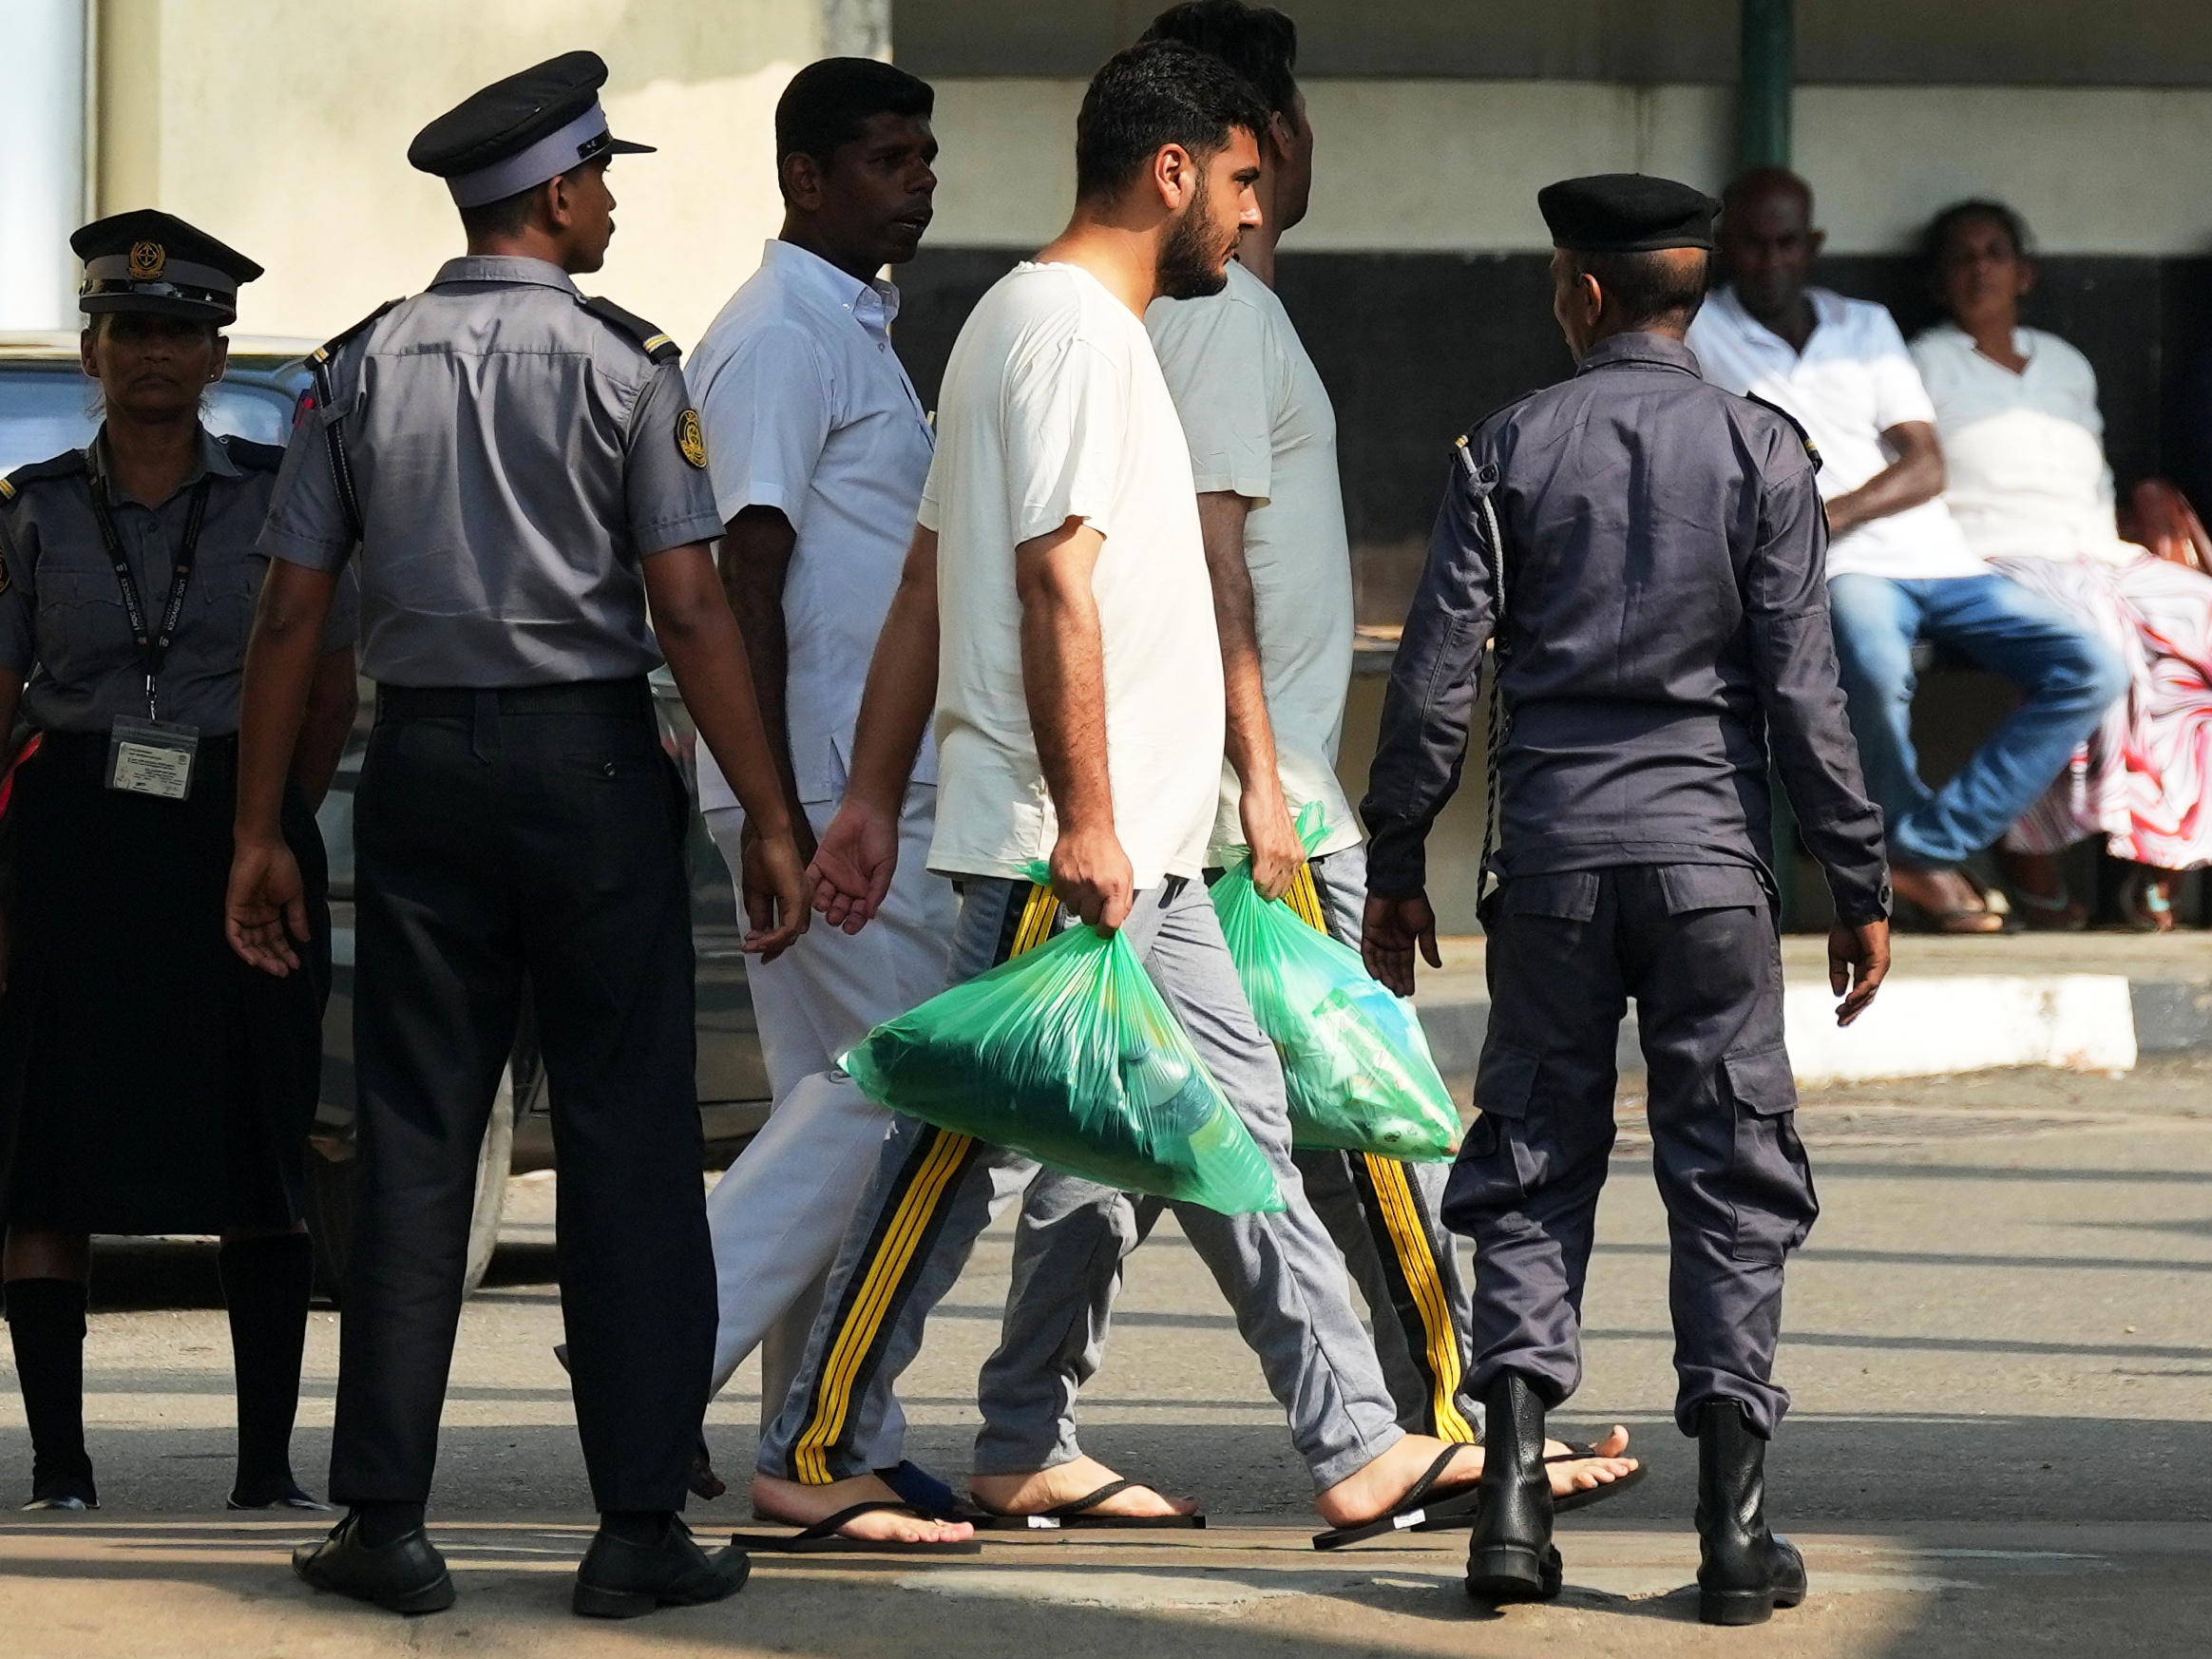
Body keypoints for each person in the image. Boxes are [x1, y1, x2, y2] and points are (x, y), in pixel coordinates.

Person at [760, 40, 1634, 1552]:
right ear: (1170, 173)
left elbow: (924, 584)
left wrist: (876, 796)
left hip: (1140, 844)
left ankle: (1364, 1443)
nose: (1251, 211)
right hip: (1067, 842)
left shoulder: (1036, 324)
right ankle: (813, 1445)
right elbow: (1047, 585)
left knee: (1235, 1130)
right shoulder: (1074, 339)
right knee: (953, 1155)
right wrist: (1085, 817)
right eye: (1238, 179)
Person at [223, 52, 809, 1619]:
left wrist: (260, 832)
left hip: (419, 771)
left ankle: (385, 1523)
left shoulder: (354, 368)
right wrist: (763, 811)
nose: (610, 198)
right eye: (601, 176)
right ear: (553, 195)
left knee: (418, 1139)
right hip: (593, 773)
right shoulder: (628, 367)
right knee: (624, 1139)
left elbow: (291, 615)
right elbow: (687, 608)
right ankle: (632, 1530)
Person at [1363, 174, 1892, 1624]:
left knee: (1531, 1154)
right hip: (1716, 867)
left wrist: (1396, 857)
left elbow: (1434, 683)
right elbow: (1803, 690)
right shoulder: (1764, 449)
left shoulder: (1508, 445)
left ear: (1584, 292)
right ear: (1690, 294)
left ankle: (1516, 1506)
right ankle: (1734, 1531)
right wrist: (1857, 874)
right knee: (1730, 1173)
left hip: (1548, 869)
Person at [0, 212, 354, 1516]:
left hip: (235, 833)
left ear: (216, 358)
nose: (154, 353)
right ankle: (61, 1465)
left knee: (257, 1128)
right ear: (92, 350)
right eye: (130, 330)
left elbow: (326, 693)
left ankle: (266, 1466)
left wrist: (265, 820)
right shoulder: (31, 513)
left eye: (182, 333)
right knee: (48, 1144)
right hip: (75, 843)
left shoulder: (277, 502)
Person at [684, 57, 960, 1508]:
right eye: (887, 159)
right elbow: (747, 566)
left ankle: (834, 1427)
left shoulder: (854, 325)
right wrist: (781, 811)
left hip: (841, 790)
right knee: (897, 1087)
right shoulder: (783, 333)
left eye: (924, 155)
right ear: (804, 177)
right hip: (818, 795)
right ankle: (660, 1357)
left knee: (826, 1100)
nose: (919, 180)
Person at [1688, 168, 2126, 933]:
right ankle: (1919, 859)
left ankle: (1917, 846)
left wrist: (1826, 512)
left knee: (2093, 664)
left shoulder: (1862, 324)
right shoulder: (1701, 332)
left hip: (1941, 557)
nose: (1770, 260)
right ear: (1726, 250)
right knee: (1875, 668)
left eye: (1787, 242)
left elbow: (1927, 464)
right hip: (1839, 571)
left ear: (1813, 245)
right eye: (1752, 245)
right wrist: (1814, 534)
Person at [1912, 200, 2212, 927]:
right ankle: (2032, 844)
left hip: (2098, 549)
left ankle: (2157, 852)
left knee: (2200, 615)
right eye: (1963, 256)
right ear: (1940, 281)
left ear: (2025, 274)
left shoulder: (2067, 364)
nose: (1980, 267)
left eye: (1995, 253)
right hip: (1992, 551)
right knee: (2090, 634)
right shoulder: (1925, 360)